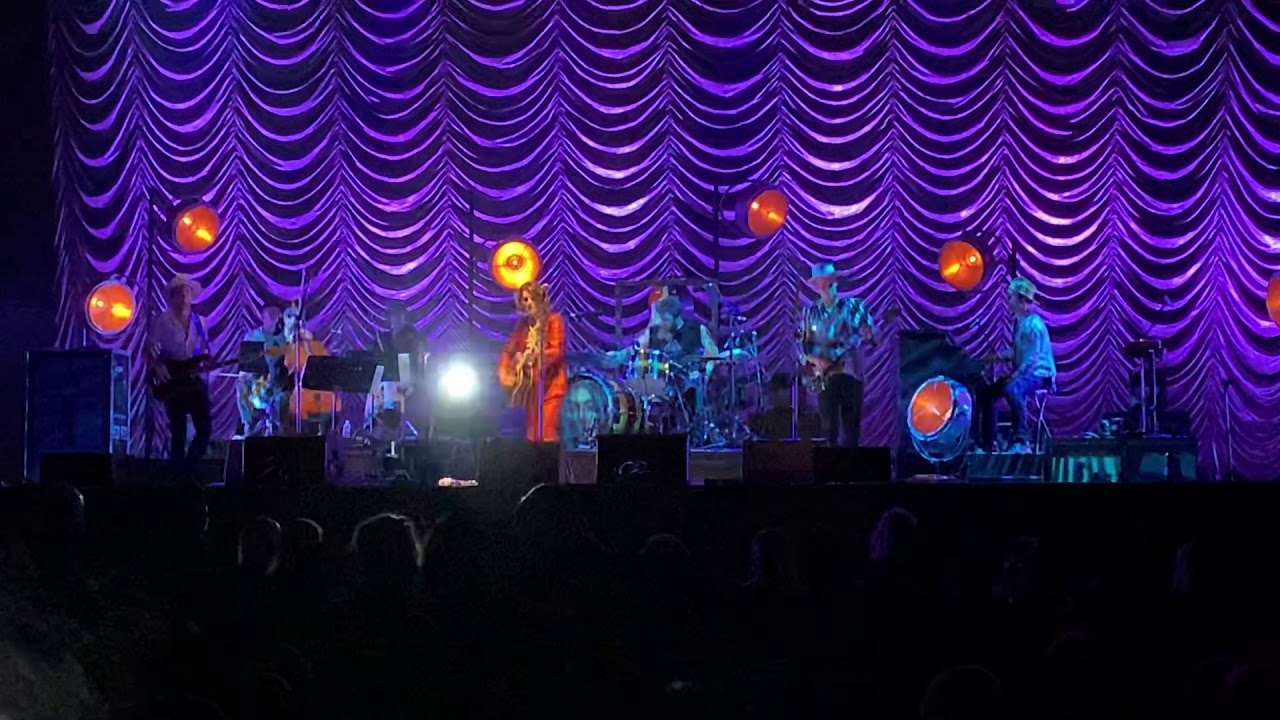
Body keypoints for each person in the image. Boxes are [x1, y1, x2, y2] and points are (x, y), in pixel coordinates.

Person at [796, 262, 877, 448]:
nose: (828, 286)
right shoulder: (809, 312)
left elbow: (873, 338)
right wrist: (815, 361)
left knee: (851, 432)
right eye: (823, 282)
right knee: (828, 431)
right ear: (816, 286)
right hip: (824, 379)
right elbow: (801, 347)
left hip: (851, 376)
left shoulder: (854, 307)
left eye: (831, 281)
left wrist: (870, 334)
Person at [975, 276, 1056, 453]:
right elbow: (1017, 351)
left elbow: (1033, 358)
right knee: (987, 394)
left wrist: (1015, 375)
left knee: (1013, 389)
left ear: (1021, 301)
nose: (1008, 300)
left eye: (1010, 296)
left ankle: (1021, 440)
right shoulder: (1019, 324)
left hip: (1040, 374)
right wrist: (996, 357)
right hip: (1024, 372)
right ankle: (988, 443)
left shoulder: (1034, 324)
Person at [147, 273, 212, 470]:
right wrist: (158, 366)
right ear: (172, 296)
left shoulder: (200, 322)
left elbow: (202, 350)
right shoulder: (163, 321)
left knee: (205, 428)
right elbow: (150, 348)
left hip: (191, 378)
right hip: (172, 380)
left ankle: (188, 468)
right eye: (180, 293)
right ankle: (177, 473)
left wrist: (205, 361)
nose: (184, 297)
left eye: (187, 292)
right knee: (178, 431)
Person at [499, 282, 567, 442]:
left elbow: (556, 351)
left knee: (546, 433)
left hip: (551, 388)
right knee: (532, 435)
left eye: (531, 298)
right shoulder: (523, 325)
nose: (528, 303)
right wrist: (506, 374)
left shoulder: (554, 321)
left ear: (539, 299)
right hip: (531, 389)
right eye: (524, 300)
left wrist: (536, 356)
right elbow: (508, 351)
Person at [236, 305, 281, 437]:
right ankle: (247, 423)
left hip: (278, 382)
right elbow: (246, 366)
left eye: (274, 317)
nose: (272, 320)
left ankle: (278, 425)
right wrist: (245, 374)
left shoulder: (284, 338)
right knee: (241, 385)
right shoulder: (252, 336)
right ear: (262, 318)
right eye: (269, 317)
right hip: (257, 381)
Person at [637, 295, 719, 358]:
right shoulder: (654, 332)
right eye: (661, 319)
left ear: (677, 318)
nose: (661, 323)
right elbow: (641, 354)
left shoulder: (697, 330)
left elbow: (713, 355)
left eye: (665, 320)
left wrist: (705, 369)